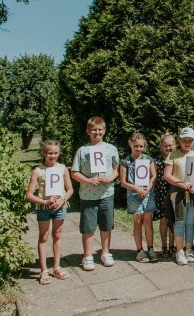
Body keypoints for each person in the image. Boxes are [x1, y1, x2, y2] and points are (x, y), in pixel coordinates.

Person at [71, 116, 120, 271]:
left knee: (106, 225)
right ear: (88, 132)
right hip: (88, 195)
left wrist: (110, 178)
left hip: (107, 193)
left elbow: (116, 168)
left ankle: (105, 253)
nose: (97, 133)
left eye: (100, 130)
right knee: (88, 227)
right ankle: (87, 256)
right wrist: (88, 180)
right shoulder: (82, 150)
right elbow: (74, 172)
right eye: (94, 130)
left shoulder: (111, 148)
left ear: (104, 131)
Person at [25, 140, 74, 284]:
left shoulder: (63, 168)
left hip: (60, 207)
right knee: (43, 237)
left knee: (57, 235)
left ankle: (57, 267)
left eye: (56, 153)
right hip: (44, 209)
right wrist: (45, 202)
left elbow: (70, 189)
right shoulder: (38, 171)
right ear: (43, 153)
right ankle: (44, 270)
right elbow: (29, 195)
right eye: (50, 153)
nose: (53, 156)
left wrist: (62, 200)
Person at [164, 127, 194, 265]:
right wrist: (181, 184)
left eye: (190, 140)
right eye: (184, 140)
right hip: (178, 194)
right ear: (179, 141)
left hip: (192, 194)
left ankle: (189, 250)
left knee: (190, 222)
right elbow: (167, 175)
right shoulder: (173, 155)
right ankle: (179, 250)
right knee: (180, 222)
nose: (187, 143)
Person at [120, 132, 158, 263]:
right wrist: (136, 188)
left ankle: (151, 249)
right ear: (130, 144)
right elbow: (123, 182)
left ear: (144, 146)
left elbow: (153, 176)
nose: (139, 149)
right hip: (134, 196)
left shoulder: (149, 160)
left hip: (148, 194)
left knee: (148, 222)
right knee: (137, 223)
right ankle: (139, 251)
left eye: (141, 146)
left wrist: (148, 188)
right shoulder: (126, 162)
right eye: (136, 146)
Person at [154, 133, 176, 258]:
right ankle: (164, 246)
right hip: (161, 193)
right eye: (165, 146)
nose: (168, 148)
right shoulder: (157, 161)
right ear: (161, 147)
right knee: (163, 220)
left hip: (174, 192)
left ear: (175, 145)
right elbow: (155, 178)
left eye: (171, 145)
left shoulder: (177, 159)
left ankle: (172, 246)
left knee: (172, 220)